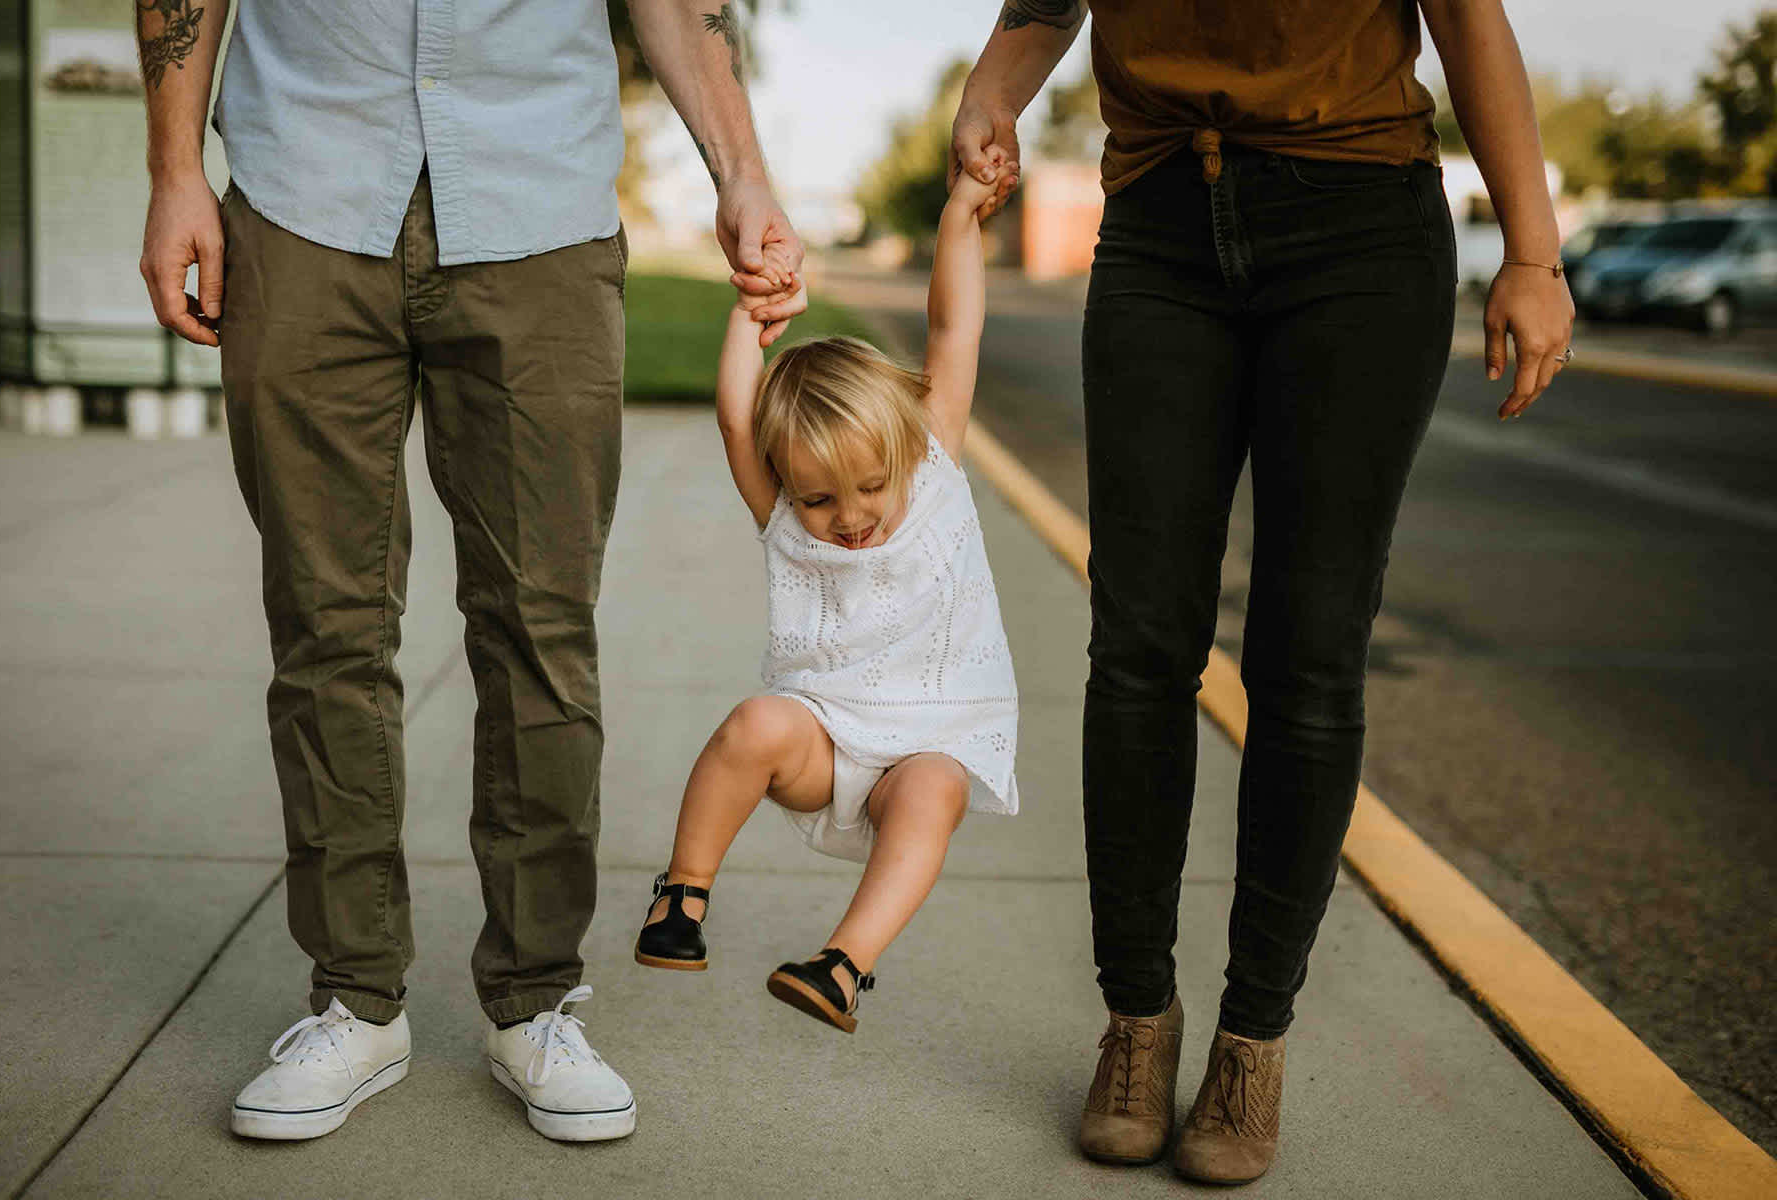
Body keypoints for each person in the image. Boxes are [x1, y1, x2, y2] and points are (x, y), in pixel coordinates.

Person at [135, 0, 806, 1142]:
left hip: (537, 203)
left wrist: (740, 166)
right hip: (303, 191)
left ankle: (536, 999)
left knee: (542, 629)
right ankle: (356, 999)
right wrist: (173, 170)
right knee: (325, 627)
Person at [947, 0, 1574, 1183]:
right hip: (1160, 229)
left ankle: (1252, 1039)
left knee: (1310, 656)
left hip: (1357, 225)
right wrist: (991, 90)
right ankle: (1137, 1023)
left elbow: (1468, 17)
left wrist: (1533, 255)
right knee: (1137, 644)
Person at [632, 159, 1021, 1033]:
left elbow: (953, 330)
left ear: (907, 454)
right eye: (818, 498)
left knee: (935, 790)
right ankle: (682, 900)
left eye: (868, 489)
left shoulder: (938, 466)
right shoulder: (786, 516)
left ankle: (842, 965)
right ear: (789, 488)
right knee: (753, 723)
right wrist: (750, 315)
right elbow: (738, 417)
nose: (847, 518)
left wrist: (961, 210)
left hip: (930, 737)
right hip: (828, 738)